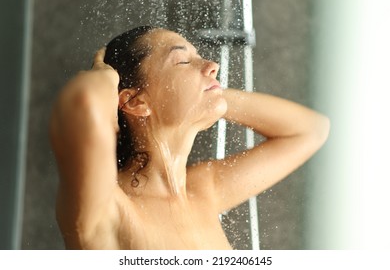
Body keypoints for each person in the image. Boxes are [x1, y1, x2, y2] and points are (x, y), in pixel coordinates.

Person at [49, 26, 330, 250]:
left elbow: (310, 130)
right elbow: (83, 101)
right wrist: (106, 76)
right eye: (183, 60)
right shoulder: (109, 207)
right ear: (135, 101)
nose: (212, 65)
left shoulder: (202, 192)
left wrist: (209, 96)